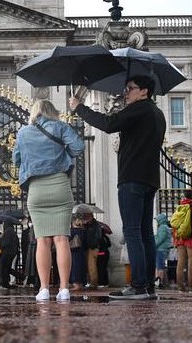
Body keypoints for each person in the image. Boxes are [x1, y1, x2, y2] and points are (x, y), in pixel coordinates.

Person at [70, 74, 166, 300]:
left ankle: (138, 285)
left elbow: (109, 124)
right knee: (146, 234)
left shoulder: (139, 109)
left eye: (130, 88)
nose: (126, 93)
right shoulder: (157, 114)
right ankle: (148, 286)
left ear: (144, 91)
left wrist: (80, 108)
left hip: (132, 178)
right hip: (149, 178)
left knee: (132, 232)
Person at [14, 99, 85, 302]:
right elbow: (78, 147)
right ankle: (64, 289)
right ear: (52, 112)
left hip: (36, 189)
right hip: (60, 185)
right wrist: (63, 155)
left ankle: (44, 289)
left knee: (42, 240)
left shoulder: (23, 132)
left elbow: (16, 159)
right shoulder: (60, 127)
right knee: (62, 239)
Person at [0, 221, 19, 293]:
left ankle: (4, 284)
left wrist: (0, 244)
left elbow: (5, 243)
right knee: (7, 268)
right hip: (12, 252)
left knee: (4, 268)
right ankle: (21, 277)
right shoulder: (13, 232)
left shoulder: (7, 232)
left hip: (6, 252)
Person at [154, 213, 172, 289]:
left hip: (161, 249)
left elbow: (160, 239)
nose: (157, 221)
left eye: (157, 220)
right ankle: (163, 282)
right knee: (161, 266)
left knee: (159, 266)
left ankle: (159, 283)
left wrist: (153, 246)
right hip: (164, 249)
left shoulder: (162, 227)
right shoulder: (166, 227)